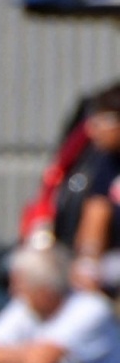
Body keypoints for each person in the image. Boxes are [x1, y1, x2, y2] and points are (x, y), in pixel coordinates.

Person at [52, 83, 120, 293]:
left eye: (102, 121)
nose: (92, 130)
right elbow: (96, 213)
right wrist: (87, 264)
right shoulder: (108, 161)